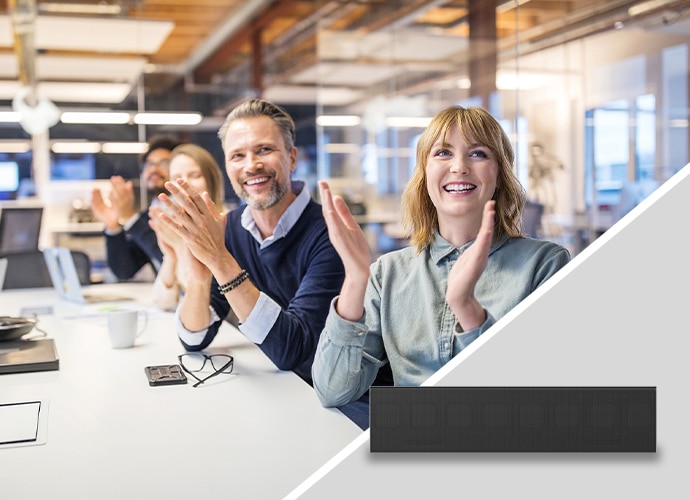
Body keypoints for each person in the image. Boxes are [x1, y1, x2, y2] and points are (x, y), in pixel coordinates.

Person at [312, 105, 572, 408]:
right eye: (443, 153)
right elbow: (332, 391)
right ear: (424, 174)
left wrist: (469, 311)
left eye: (478, 154)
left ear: (500, 174)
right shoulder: (388, 272)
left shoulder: (545, 266)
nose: (459, 166)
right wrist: (356, 281)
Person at [155, 99, 372, 425]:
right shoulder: (227, 230)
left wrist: (221, 260)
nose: (251, 165)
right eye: (237, 156)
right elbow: (194, 339)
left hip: (338, 408)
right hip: (278, 401)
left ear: (292, 157)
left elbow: (294, 351)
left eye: (265, 150)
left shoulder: (330, 234)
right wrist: (200, 280)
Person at [91, 135, 181, 281]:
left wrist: (129, 217)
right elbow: (125, 270)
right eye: (149, 164)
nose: (154, 170)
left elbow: (172, 259)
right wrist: (113, 227)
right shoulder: (150, 215)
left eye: (164, 163)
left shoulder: (186, 212)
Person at [148, 143, 226, 311]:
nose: (184, 184)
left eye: (195, 175)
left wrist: (179, 247)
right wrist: (170, 255)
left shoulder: (228, 225)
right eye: (176, 178)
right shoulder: (179, 226)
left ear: (211, 180)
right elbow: (163, 302)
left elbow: (208, 302)